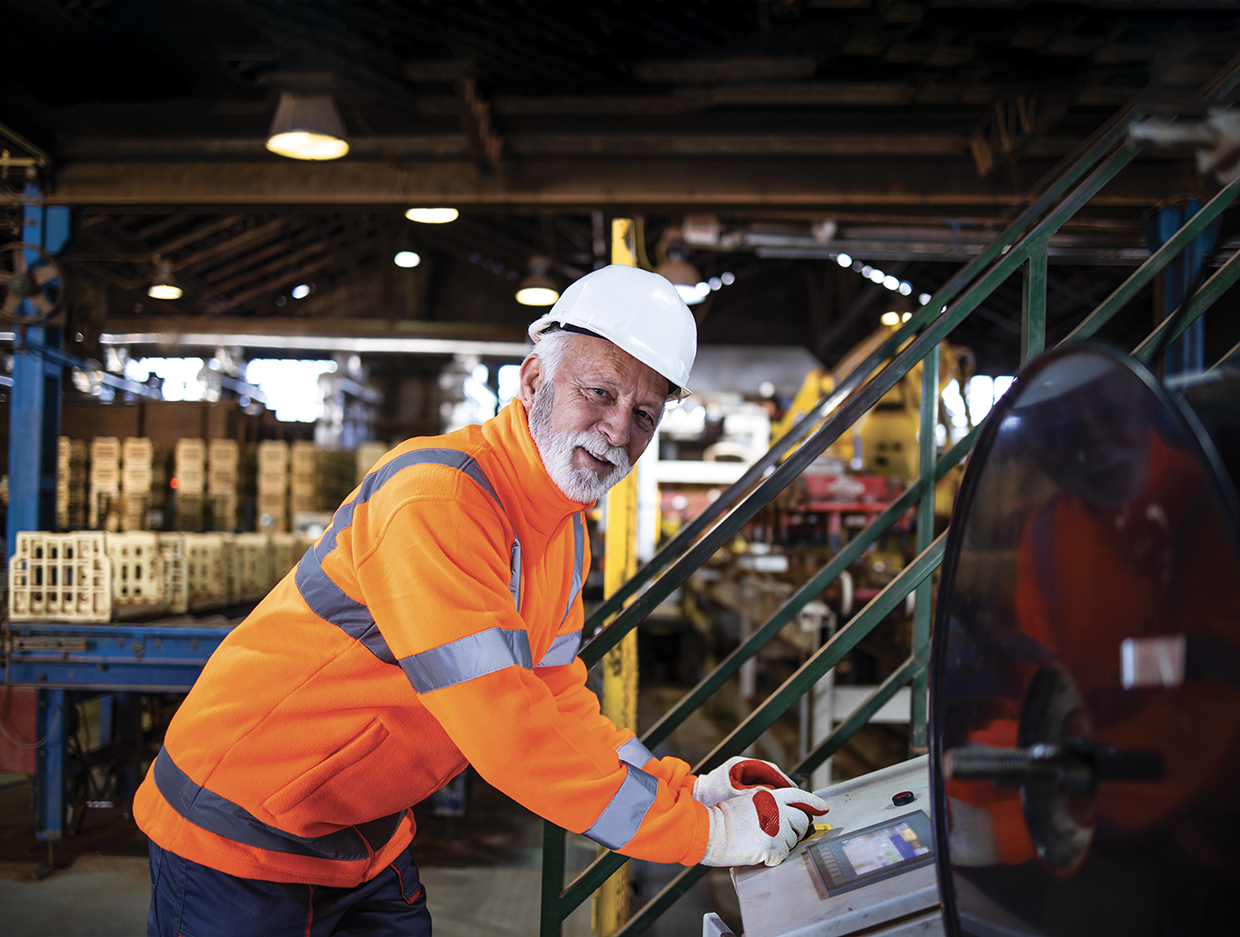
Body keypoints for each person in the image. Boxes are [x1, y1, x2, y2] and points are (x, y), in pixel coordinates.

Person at [134, 264, 828, 937]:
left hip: (360, 827)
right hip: (244, 827)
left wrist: (684, 788)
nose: (619, 430)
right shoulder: (438, 501)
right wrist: (702, 834)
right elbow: (509, 733)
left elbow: (554, 700)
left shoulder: (562, 531)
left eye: (644, 414)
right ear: (533, 381)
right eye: (599, 393)